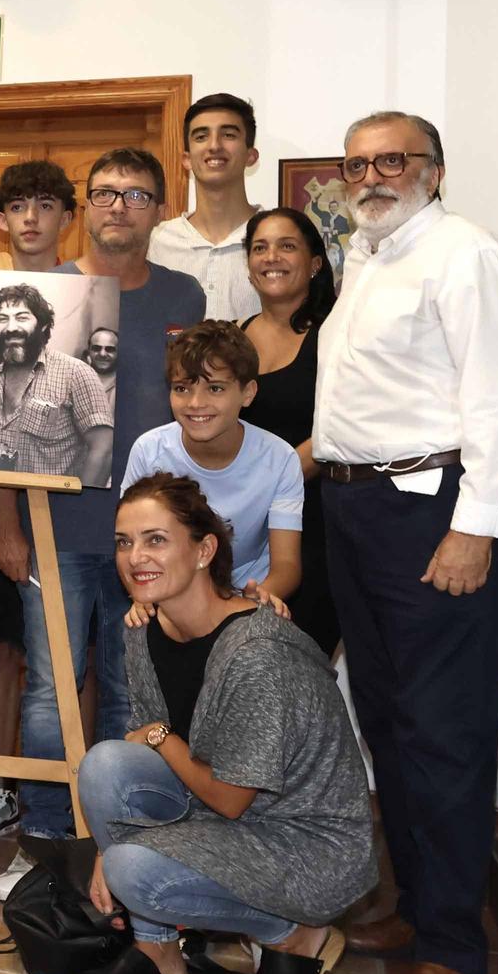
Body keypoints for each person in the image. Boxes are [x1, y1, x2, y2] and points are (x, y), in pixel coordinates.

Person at [315, 111, 498, 974]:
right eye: (358, 161)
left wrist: (475, 524)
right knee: (390, 723)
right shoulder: (366, 255)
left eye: (392, 159)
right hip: (357, 512)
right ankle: (412, 910)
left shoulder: (466, 253)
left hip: (437, 517)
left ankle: (454, 948)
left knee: (444, 733)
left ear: (433, 171)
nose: (372, 174)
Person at [67, 474, 372, 974]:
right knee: (106, 764)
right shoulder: (141, 628)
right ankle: (158, 952)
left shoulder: (255, 652)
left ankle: (298, 933)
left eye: (156, 539)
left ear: (204, 549)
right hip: (224, 818)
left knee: (134, 871)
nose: (136, 557)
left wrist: (160, 744)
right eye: (124, 541)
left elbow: (230, 797)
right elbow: (139, 751)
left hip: (302, 842)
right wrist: (103, 850)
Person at [0, 148, 206, 902]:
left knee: (129, 692)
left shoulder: (185, 294)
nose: (120, 206)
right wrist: (6, 525)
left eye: (137, 194)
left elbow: (195, 412)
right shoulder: (47, 292)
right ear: (87, 205)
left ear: (158, 207)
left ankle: (120, 845)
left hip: (148, 543)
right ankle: (44, 838)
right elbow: (6, 425)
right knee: (50, 689)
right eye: (106, 193)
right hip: (54, 528)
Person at [0, 158, 81, 848]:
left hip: (76, 504)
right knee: (5, 647)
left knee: (70, 658)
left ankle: (65, 789)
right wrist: (4, 517)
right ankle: (1, 784)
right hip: (1, 502)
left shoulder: (90, 294)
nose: (31, 216)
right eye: (18, 206)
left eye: (46, 202)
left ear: (67, 215)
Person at [121, 322, 302, 609]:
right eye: (182, 388)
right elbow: (132, 544)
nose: (195, 403)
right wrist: (142, 593)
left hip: (246, 598)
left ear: (248, 392)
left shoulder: (280, 458)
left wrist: (256, 599)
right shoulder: (149, 450)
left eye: (215, 388)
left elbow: (287, 565)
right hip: (169, 595)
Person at [239, 207, 341, 655]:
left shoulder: (337, 333)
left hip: (317, 526)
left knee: (303, 660)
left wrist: (268, 485)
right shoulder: (235, 337)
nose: (270, 257)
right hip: (247, 525)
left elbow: (337, 429)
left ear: (315, 263)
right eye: (259, 247)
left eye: (286, 245)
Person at [0, 283, 113, 482]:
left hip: (53, 504)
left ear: (42, 324)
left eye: (22, 318)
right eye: (2, 319)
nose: (11, 327)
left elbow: (103, 450)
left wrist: (78, 504)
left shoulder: (76, 373)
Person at [148, 93, 263, 320]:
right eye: (201, 137)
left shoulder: (275, 239)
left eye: (229, 134)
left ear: (251, 155)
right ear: (187, 159)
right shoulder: (156, 241)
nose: (214, 146)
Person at [0, 158, 77, 273]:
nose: (30, 218)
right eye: (17, 207)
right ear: (3, 221)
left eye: (45, 206)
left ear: (64, 219)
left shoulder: (85, 289)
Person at [85, 328, 118, 401]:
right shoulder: (79, 381)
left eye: (109, 349)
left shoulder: (127, 384)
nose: (102, 354)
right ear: (89, 351)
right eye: (96, 348)